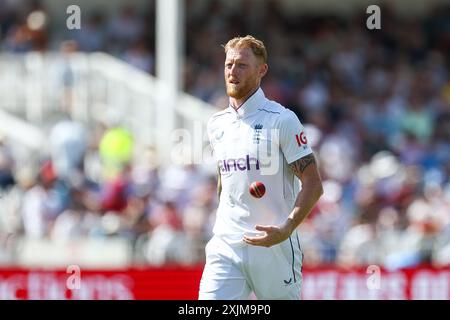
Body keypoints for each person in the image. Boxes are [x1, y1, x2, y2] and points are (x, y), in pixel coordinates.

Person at [199, 35, 324, 300]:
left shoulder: (283, 120)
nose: (232, 72)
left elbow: (313, 184)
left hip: (274, 246)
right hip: (227, 243)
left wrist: (287, 228)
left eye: (242, 65)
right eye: (228, 64)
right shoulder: (216, 124)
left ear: (262, 70)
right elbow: (226, 180)